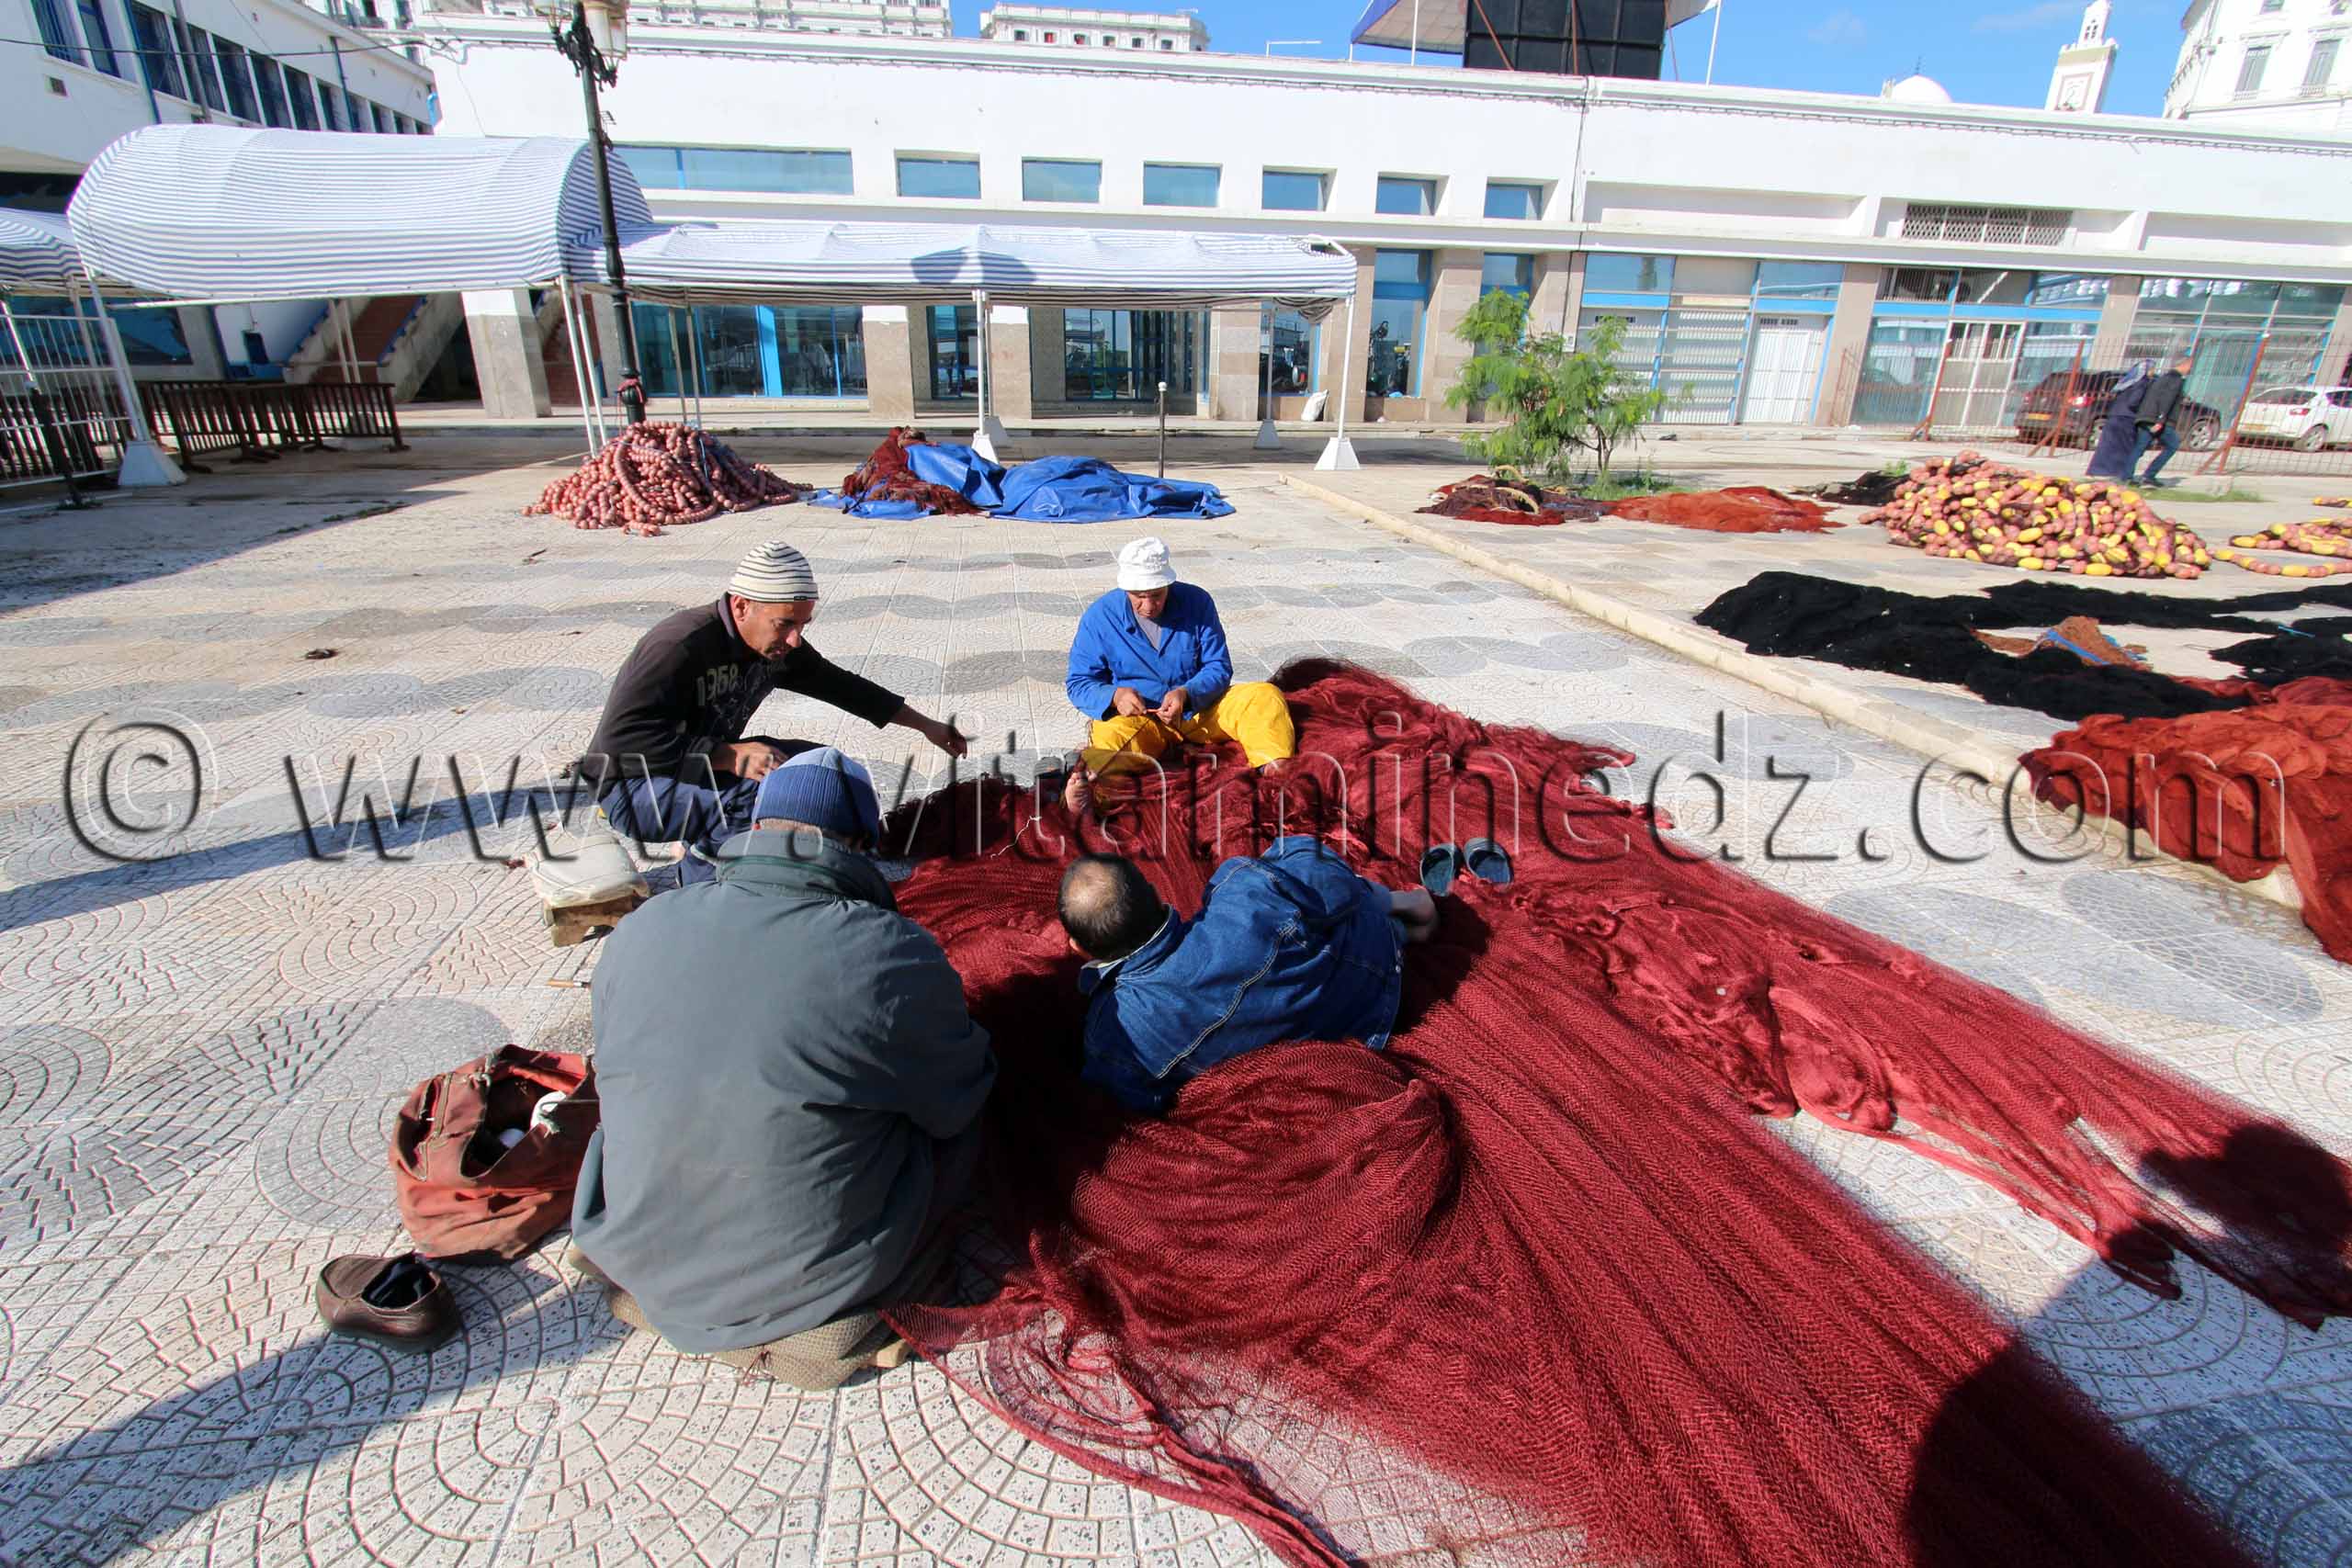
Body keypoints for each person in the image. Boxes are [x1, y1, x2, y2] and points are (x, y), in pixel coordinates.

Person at [571, 749, 997, 1388]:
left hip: (636, 1245)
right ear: (857, 845)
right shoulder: (887, 949)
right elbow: (958, 1100)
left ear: (758, 828)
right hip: (810, 1280)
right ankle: (828, 1314)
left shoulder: (640, 926)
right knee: (969, 1111)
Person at [572, 539, 967, 881]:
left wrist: (924, 725)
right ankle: (700, 889)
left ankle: (817, 854)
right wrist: (726, 755)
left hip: (700, 767)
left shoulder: (777, 646)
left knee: (819, 769)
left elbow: (842, 686)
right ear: (742, 606)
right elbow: (618, 745)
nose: (795, 639)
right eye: (784, 624)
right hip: (635, 786)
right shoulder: (678, 646)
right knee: (759, 797)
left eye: (803, 624)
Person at [1057, 839, 1439, 1113]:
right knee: (1300, 876)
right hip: (1373, 982)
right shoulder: (1243, 895)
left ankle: (1404, 923)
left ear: (1078, 948)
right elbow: (1325, 871)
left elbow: (1132, 1098)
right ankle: (1405, 909)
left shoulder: (1114, 1036)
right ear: (1157, 895)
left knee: (1298, 894)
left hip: (1338, 1054)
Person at [1061, 536, 1295, 813]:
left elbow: (1218, 666)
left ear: (1168, 585)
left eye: (1157, 595)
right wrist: (1114, 695)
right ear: (1125, 588)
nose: (1149, 606)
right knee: (1110, 739)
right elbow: (1079, 683)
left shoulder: (1198, 602)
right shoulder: (1100, 617)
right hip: (1141, 720)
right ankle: (1093, 795)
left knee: (1263, 697)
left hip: (1199, 710)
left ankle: (1276, 773)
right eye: (1139, 597)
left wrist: (1187, 693)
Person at [2128, 355, 2196, 487]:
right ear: (2184, 365)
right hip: (2157, 419)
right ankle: (2149, 475)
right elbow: (2167, 400)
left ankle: (2126, 476)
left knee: (2139, 448)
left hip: (2145, 417)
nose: (2190, 369)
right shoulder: (2175, 380)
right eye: (2190, 365)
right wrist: (2160, 420)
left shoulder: (2162, 378)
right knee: (2173, 445)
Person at [2084, 362, 2149, 480]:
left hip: (2114, 414)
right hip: (2127, 417)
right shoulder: (2142, 382)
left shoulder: (2126, 381)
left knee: (2107, 444)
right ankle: (2117, 472)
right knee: (2123, 446)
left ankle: (2097, 470)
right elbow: (2134, 401)